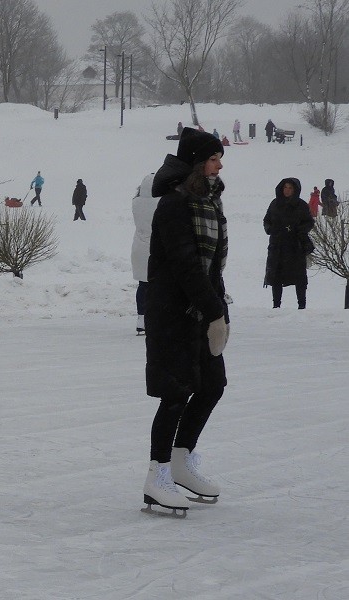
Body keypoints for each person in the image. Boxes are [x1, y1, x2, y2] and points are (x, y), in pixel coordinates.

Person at [142, 127, 229, 515]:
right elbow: (185, 264)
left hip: (200, 308)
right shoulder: (174, 205)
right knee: (175, 392)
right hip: (172, 311)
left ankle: (181, 459)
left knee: (212, 384)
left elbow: (212, 266)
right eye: (212, 159)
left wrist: (220, 310)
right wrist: (212, 311)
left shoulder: (209, 203)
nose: (219, 165)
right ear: (197, 163)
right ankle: (157, 475)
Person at [263, 178, 315, 309]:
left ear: (295, 190)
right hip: (277, 246)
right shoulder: (275, 204)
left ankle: (302, 305)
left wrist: (299, 231)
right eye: (285, 187)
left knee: (299, 277)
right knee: (276, 276)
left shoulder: (301, 205)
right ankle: (276, 305)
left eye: (290, 188)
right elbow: (267, 220)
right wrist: (271, 229)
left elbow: (309, 222)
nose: (287, 190)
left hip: (295, 247)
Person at [131, 173, 157, 335]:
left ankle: (141, 319)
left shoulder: (136, 203)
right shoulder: (164, 202)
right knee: (161, 287)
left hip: (139, 250)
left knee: (143, 286)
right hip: (156, 249)